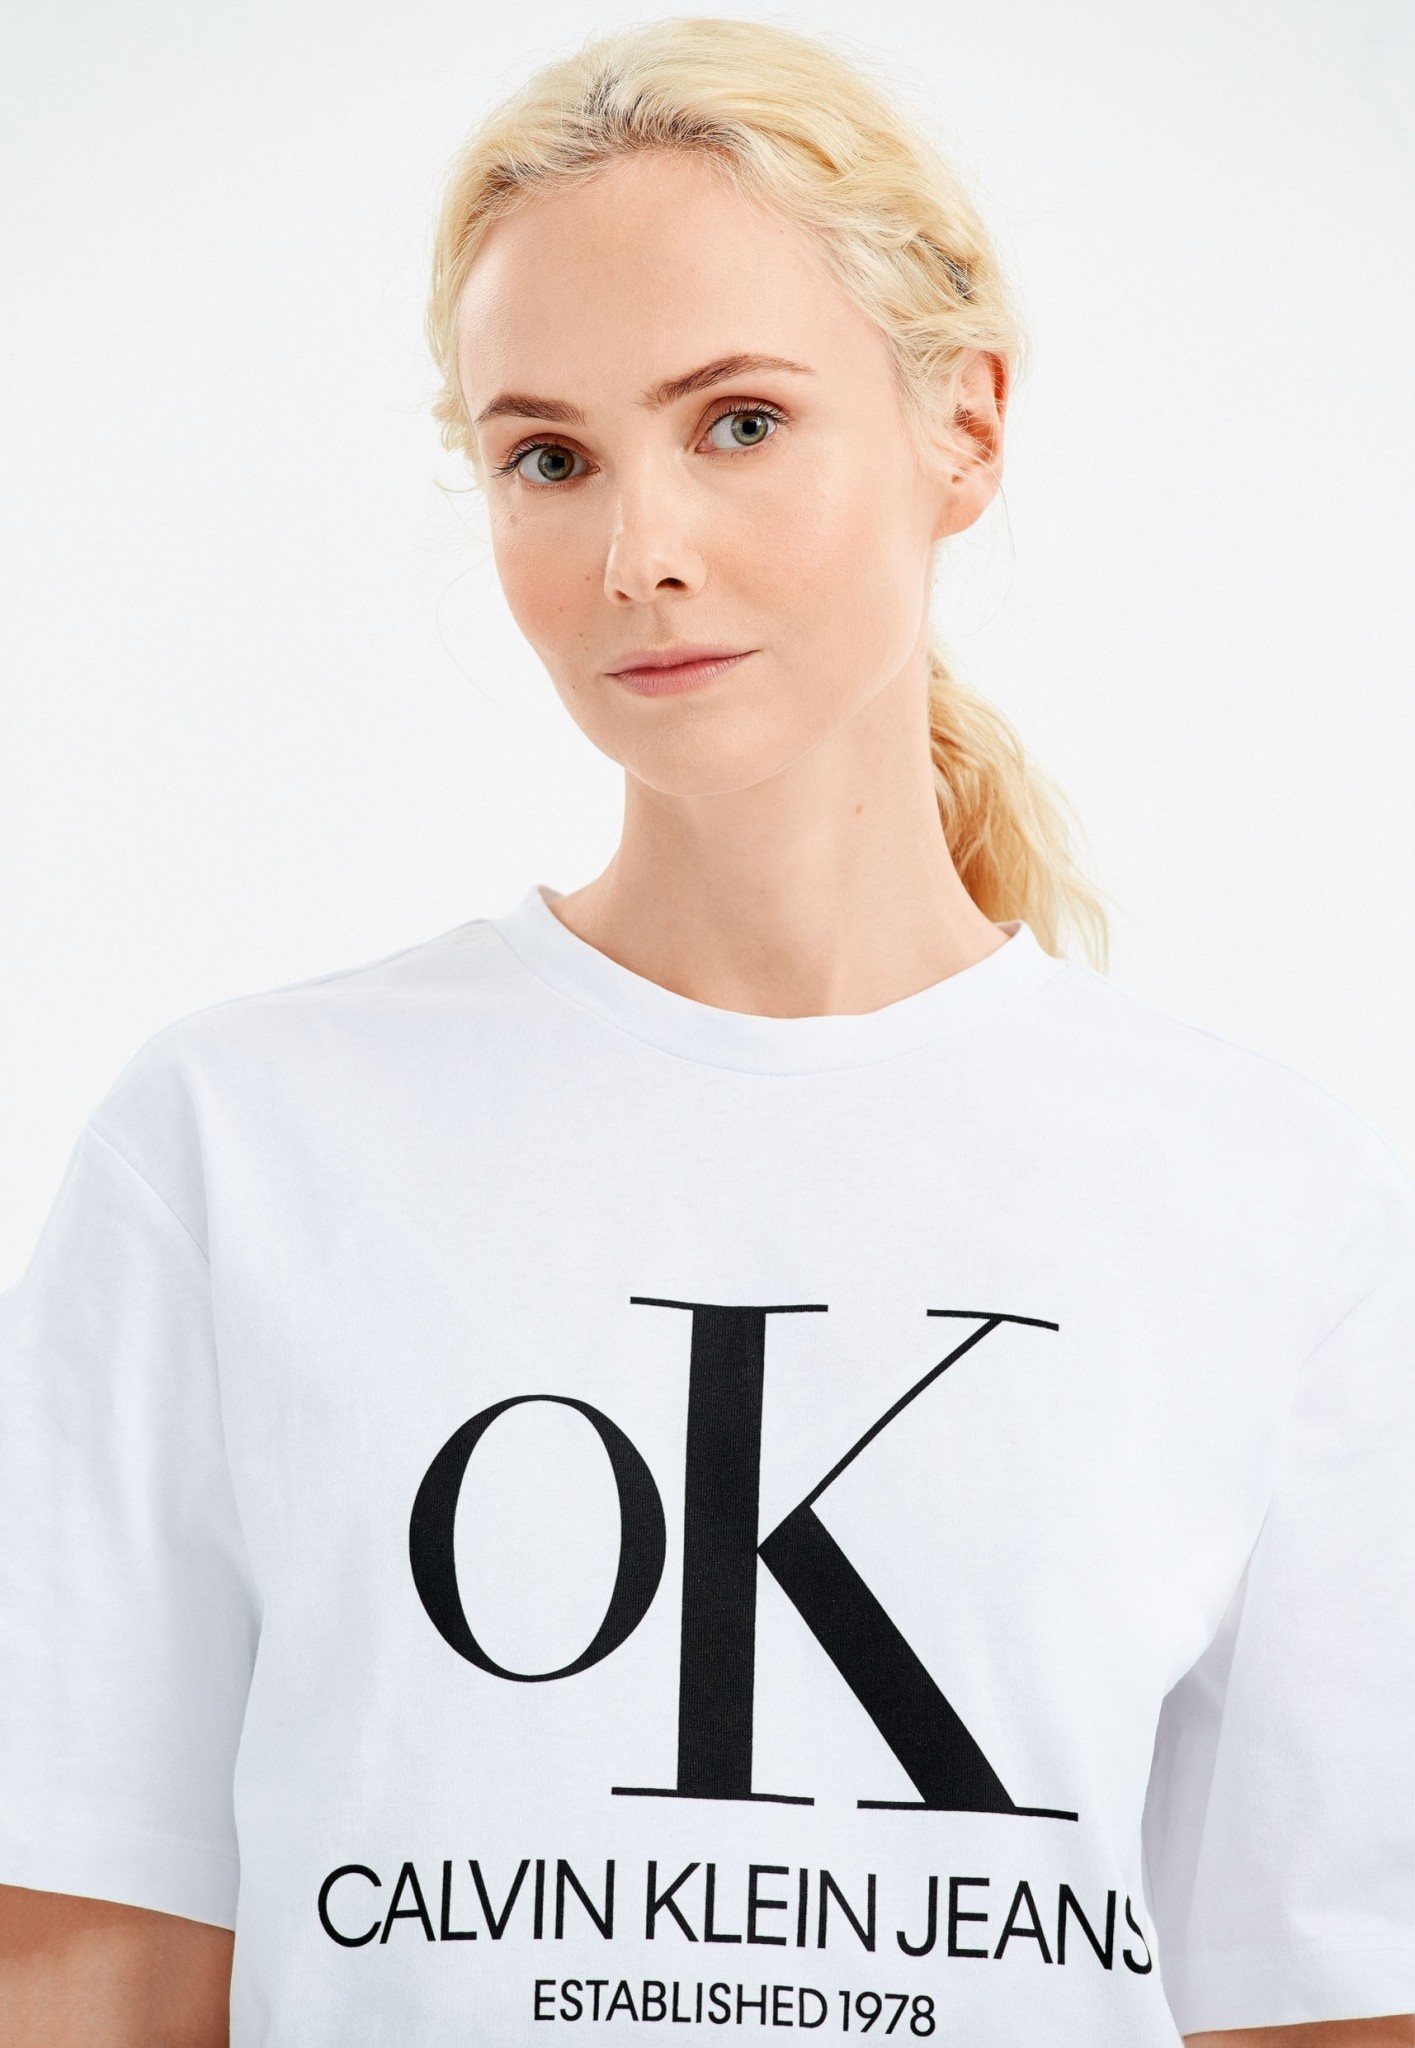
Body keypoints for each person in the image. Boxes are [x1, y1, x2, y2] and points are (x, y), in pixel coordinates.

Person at [0, 17, 1409, 2046]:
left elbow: (1325, 2004)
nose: (637, 550)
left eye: (739, 422)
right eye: (548, 457)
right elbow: (88, 1962)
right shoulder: (234, 1150)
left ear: (965, 426)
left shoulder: (1267, 1210)